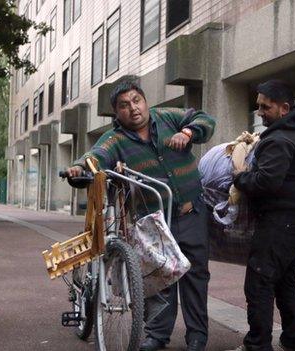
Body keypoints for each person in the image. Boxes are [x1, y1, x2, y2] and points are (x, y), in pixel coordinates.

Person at [63, 81, 216, 351]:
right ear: (116, 112)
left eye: (136, 100)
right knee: (159, 278)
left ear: (145, 101)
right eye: (124, 105)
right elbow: (95, 156)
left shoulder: (167, 116)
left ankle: (197, 337)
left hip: (191, 213)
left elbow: (205, 118)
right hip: (155, 222)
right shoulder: (115, 140)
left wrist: (189, 131)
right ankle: (157, 336)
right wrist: (78, 168)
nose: (133, 108)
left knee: (196, 277)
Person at [228, 80, 295, 351]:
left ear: (284, 108)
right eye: (258, 106)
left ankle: (257, 345)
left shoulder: (279, 140)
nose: (259, 112)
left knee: (259, 280)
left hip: (282, 218)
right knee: (283, 279)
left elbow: (265, 183)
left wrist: (240, 176)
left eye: (265, 107)